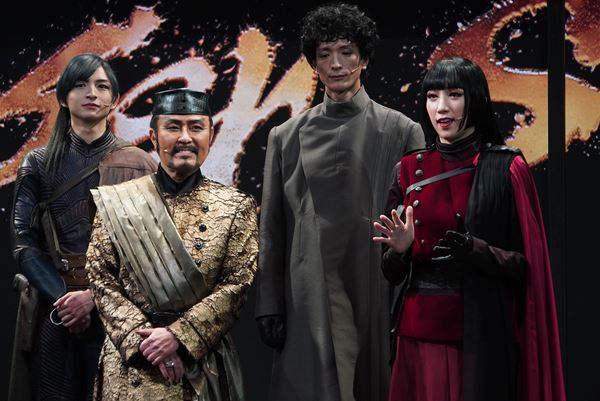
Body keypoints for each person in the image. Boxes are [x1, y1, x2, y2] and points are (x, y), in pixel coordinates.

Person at [255, 3, 425, 401]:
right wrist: (269, 304)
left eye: (347, 52)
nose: (336, 64)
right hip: (307, 290)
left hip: (376, 284)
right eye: (325, 54)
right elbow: (272, 229)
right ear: (313, 63)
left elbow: (419, 223)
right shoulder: (285, 136)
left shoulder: (402, 131)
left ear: (364, 59)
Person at [374, 57, 565, 401]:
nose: (442, 107)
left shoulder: (507, 168)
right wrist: (399, 252)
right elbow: (390, 272)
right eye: (432, 96)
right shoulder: (407, 169)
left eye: (454, 95)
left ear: (474, 98)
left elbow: (526, 267)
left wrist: (475, 250)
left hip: (480, 333)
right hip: (416, 333)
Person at [86, 88, 258, 400]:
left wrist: (178, 337)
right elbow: (100, 276)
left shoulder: (236, 206)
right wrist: (144, 342)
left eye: (196, 127)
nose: (185, 138)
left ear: (210, 134)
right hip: (131, 366)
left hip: (200, 366)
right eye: (173, 127)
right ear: (153, 136)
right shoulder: (118, 202)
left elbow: (237, 284)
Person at [10, 53, 157, 401]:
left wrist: (93, 298)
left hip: (121, 314)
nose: (92, 92)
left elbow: (152, 250)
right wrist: (64, 300)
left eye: (101, 86)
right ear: (63, 97)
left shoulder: (140, 164)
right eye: (80, 84)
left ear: (114, 99)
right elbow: (23, 243)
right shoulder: (37, 163)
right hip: (55, 310)